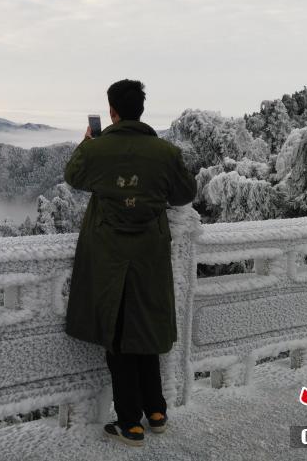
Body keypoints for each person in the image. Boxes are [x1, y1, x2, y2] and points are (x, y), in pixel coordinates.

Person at [63, 79, 197, 448]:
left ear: (112, 111)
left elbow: (73, 177)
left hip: (108, 256)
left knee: (118, 335)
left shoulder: (97, 149)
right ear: (141, 109)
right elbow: (184, 194)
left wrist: (88, 142)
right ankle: (156, 412)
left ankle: (129, 423)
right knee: (145, 330)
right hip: (150, 255)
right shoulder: (165, 152)